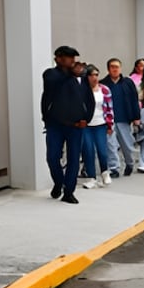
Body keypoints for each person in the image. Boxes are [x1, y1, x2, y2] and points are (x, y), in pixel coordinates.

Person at [42, 46, 94, 203]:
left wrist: (87, 118)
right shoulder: (51, 74)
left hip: (76, 125)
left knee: (73, 159)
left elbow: (89, 99)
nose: (72, 60)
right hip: (55, 125)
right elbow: (53, 84)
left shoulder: (81, 77)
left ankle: (68, 192)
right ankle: (59, 182)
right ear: (57, 59)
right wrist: (71, 74)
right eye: (67, 57)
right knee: (52, 157)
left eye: (73, 57)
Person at [102, 58, 140, 176]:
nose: (115, 69)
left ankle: (130, 163)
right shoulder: (103, 84)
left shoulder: (128, 83)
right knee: (111, 145)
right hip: (109, 120)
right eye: (112, 67)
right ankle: (114, 168)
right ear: (108, 69)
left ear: (120, 68)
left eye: (117, 67)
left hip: (124, 118)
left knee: (127, 145)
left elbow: (134, 100)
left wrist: (136, 117)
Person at [81, 64, 114, 190]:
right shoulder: (83, 90)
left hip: (101, 123)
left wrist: (110, 124)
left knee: (102, 150)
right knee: (88, 151)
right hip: (87, 125)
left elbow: (110, 108)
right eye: (91, 75)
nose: (94, 78)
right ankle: (92, 177)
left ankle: (105, 172)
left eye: (96, 75)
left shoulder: (104, 90)